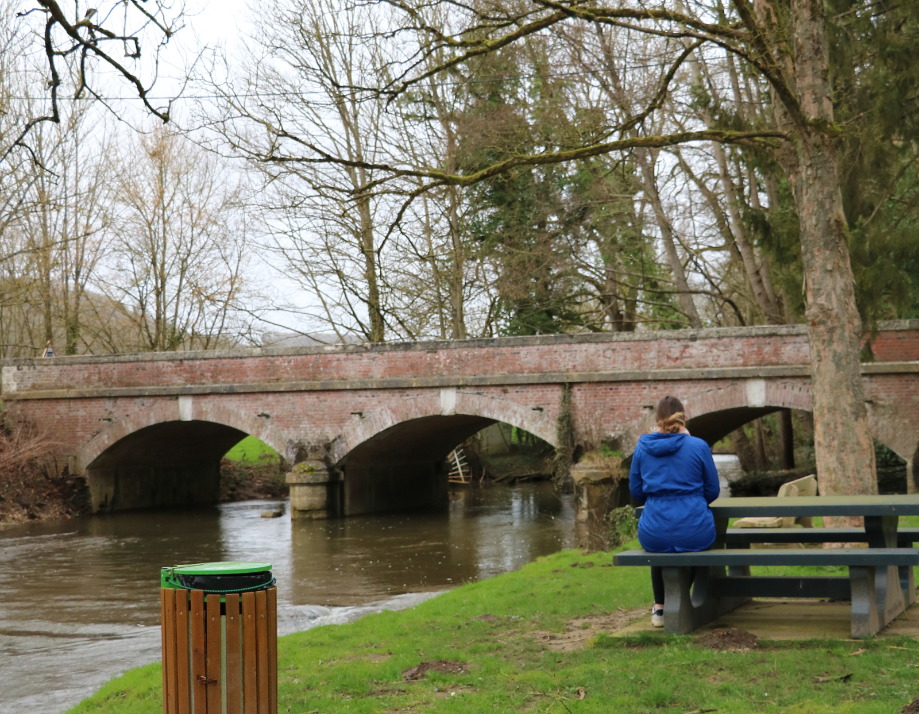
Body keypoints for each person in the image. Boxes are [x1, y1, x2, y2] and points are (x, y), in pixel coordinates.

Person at [628, 396, 720, 627]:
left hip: (653, 531)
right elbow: (713, 491)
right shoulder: (698, 446)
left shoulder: (642, 448)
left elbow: (636, 491)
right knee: (697, 539)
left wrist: (658, 499)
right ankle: (681, 600)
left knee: (660, 542)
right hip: (694, 528)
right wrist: (694, 501)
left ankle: (660, 607)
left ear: (656, 420)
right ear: (683, 419)